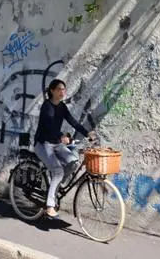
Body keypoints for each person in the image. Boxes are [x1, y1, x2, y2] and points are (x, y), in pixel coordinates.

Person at [33, 79, 96, 217]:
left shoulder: (62, 107)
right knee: (58, 171)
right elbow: (49, 125)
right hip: (43, 144)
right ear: (52, 91)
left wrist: (87, 133)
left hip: (56, 143)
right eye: (60, 89)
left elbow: (73, 121)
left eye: (64, 89)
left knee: (74, 162)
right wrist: (62, 136)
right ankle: (49, 206)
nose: (63, 92)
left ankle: (56, 185)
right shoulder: (47, 106)